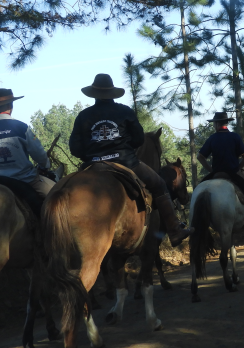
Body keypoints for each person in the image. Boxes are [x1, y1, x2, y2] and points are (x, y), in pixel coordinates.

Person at [68, 73, 193, 247]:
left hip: (93, 164)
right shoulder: (124, 111)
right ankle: (174, 230)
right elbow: (138, 140)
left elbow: (75, 148)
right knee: (159, 184)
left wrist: (92, 156)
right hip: (126, 162)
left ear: (94, 93)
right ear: (112, 93)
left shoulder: (83, 116)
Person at [0, 88, 55, 217]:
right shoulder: (22, 127)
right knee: (57, 196)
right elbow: (39, 154)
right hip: (25, 179)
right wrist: (45, 166)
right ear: (10, 105)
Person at [197, 112, 244, 232]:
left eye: (214, 123)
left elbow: (200, 157)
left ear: (217, 124)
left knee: (199, 190)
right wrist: (238, 168)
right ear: (226, 123)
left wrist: (211, 170)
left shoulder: (212, 138)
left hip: (217, 173)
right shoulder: (235, 137)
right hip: (234, 173)